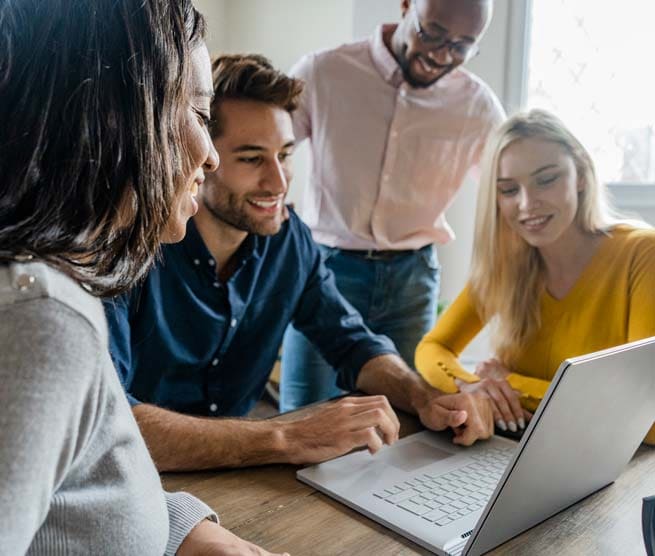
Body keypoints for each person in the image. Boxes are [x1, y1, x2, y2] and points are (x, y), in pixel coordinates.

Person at [103, 53, 494, 473]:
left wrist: (425, 398)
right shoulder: (127, 248)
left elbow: (352, 341)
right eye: (252, 159)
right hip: (134, 479)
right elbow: (110, 424)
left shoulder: (291, 242)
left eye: (285, 155)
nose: (279, 181)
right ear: (202, 158)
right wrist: (287, 437)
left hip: (239, 474)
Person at [0, 1, 287, 554]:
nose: (208, 159)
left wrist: (181, 529)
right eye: (201, 117)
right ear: (117, 115)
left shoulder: (58, 286)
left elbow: (76, 494)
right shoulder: (41, 319)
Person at [280, 0, 506, 411]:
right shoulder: (323, 72)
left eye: (461, 46)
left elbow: (507, 190)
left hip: (412, 281)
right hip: (325, 273)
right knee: (303, 412)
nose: (441, 55)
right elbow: (268, 148)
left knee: (408, 415)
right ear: (405, 6)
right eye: (432, 33)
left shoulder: (478, 106)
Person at [415, 109, 655, 445]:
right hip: (517, 449)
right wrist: (472, 385)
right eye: (509, 190)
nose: (527, 204)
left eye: (546, 179)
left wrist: (511, 382)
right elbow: (432, 347)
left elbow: (647, 421)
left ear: (581, 175)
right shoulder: (504, 265)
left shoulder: (643, 253)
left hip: (610, 467)